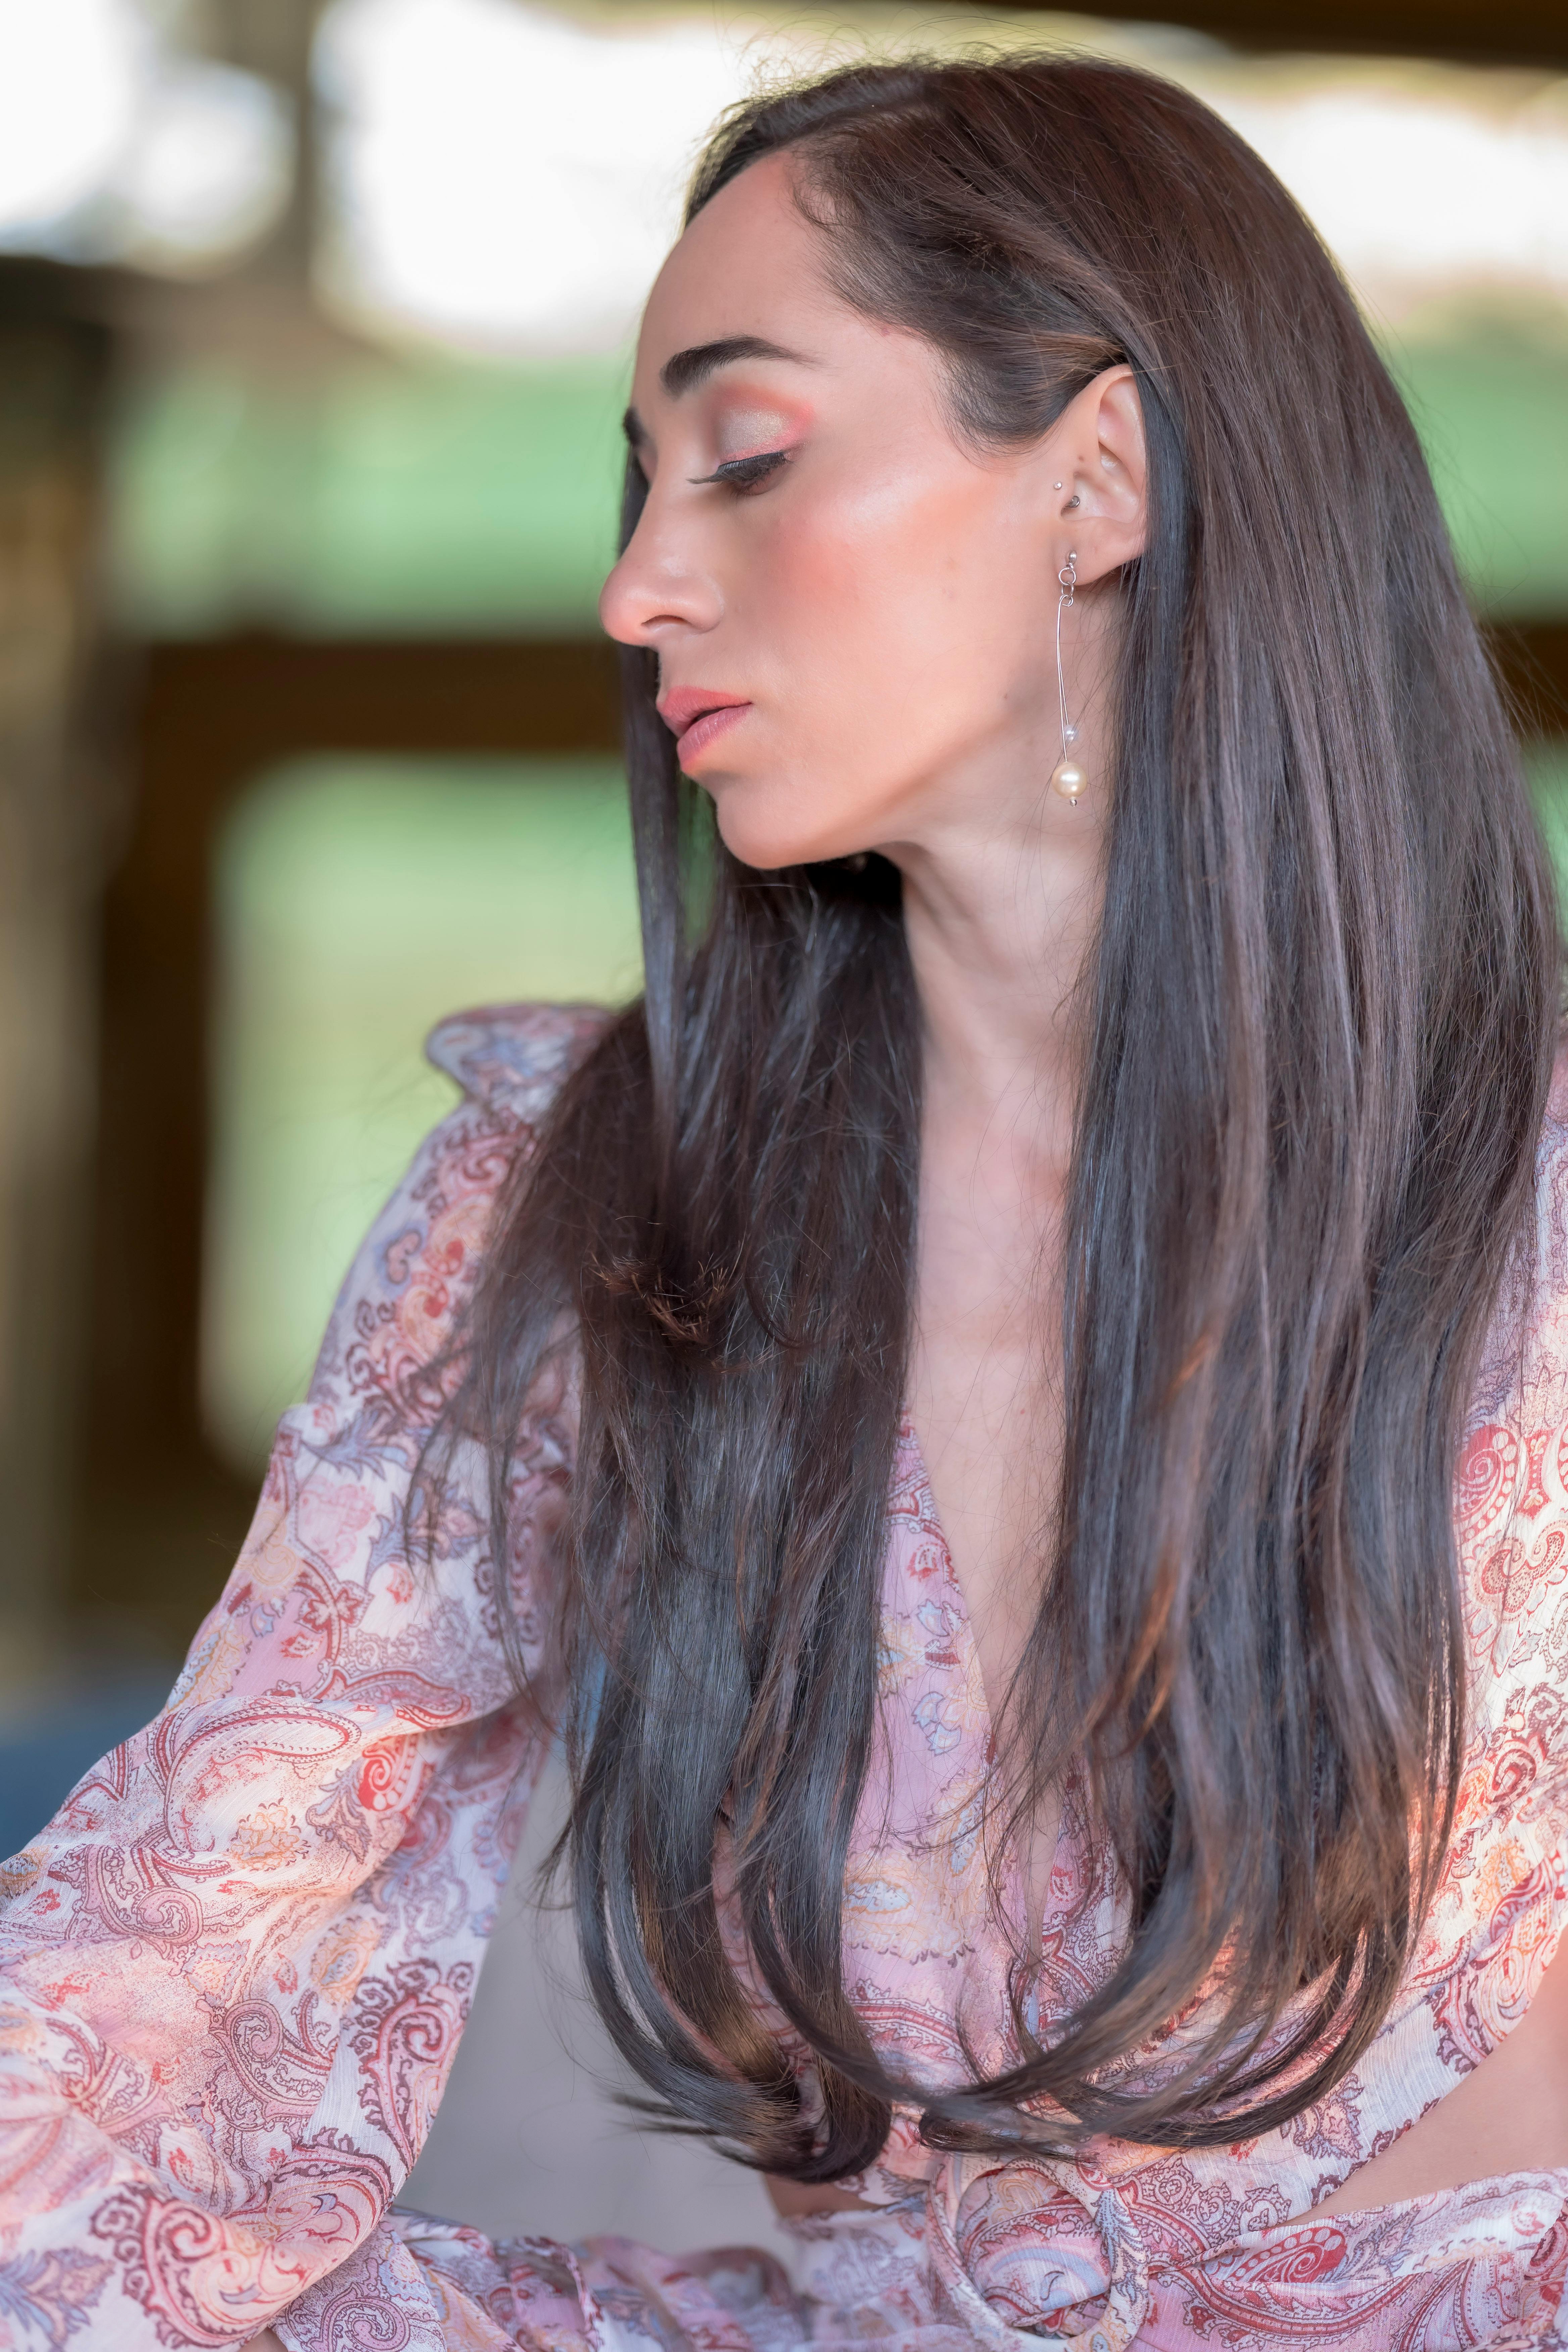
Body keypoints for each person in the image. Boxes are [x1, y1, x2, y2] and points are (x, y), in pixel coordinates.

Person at [3, 48, 1567, 2352]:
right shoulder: (582, 1203)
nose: (641, 586)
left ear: (1100, 479)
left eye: (750, 457)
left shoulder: (1526, 1204)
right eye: (638, 487)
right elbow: (181, 1935)